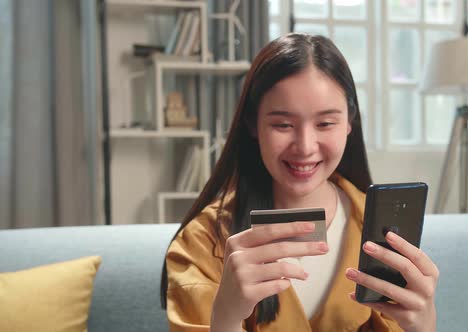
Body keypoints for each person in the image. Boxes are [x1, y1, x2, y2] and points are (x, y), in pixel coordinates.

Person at [160, 33, 439, 332]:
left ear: (349, 123)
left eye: (325, 123)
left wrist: (424, 327)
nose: (305, 147)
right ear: (253, 124)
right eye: (283, 124)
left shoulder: (380, 231)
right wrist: (226, 317)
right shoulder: (201, 241)